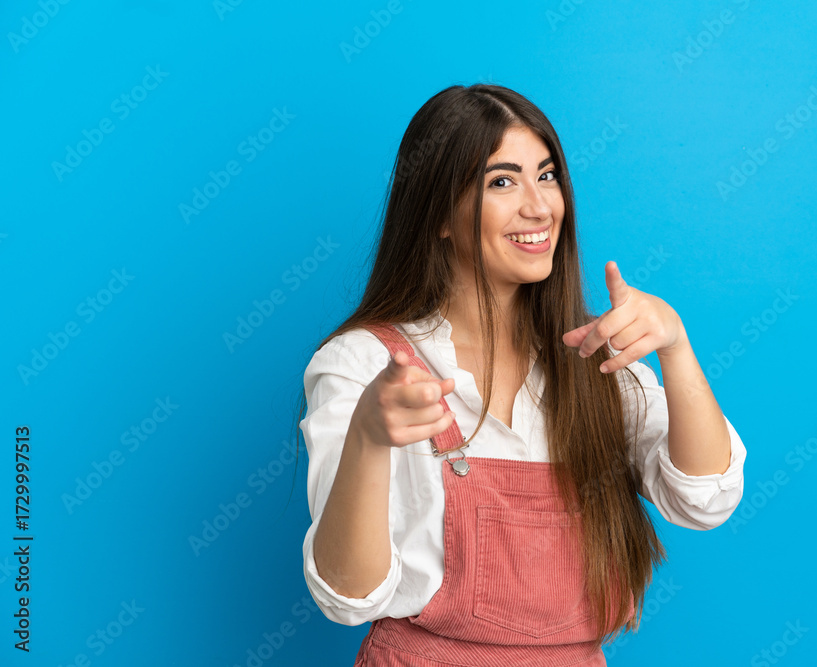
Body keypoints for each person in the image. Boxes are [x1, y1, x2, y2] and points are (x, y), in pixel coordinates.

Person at [295, 83, 748, 665]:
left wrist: (677, 346)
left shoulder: (597, 360)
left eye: (548, 175)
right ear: (438, 215)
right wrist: (367, 436)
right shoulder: (363, 364)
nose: (539, 206)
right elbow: (347, 596)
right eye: (502, 182)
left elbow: (704, 500)